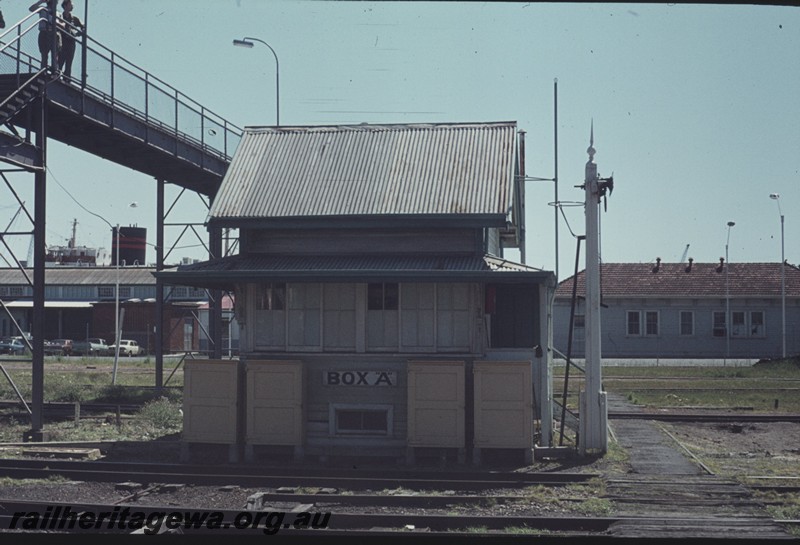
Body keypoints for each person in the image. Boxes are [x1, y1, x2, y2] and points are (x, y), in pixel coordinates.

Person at [29, 0, 60, 69]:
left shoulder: (58, 13)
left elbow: (62, 23)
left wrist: (56, 23)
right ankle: (43, 70)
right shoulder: (43, 9)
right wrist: (41, 2)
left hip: (54, 33)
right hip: (44, 32)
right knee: (44, 54)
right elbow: (31, 9)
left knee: (55, 54)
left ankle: (54, 71)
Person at [58, 0, 84, 79]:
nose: (72, 6)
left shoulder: (74, 18)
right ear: (65, 6)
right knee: (60, 60)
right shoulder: (60, 16)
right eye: (70, 4)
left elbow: (83, 26)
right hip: (62, 41)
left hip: (71, 42)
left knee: (69, 62)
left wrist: (78, 33)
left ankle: (67, 79)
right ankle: (58, 76)